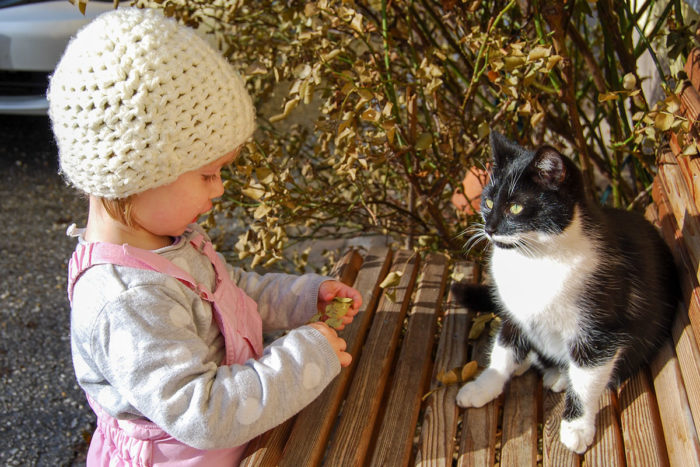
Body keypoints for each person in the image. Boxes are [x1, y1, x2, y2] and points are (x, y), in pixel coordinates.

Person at [48, 7, 362, 466]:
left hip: (245, 440)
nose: (219, 188)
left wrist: (304, 298)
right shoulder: (126, 302)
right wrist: (303, 359)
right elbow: (206, 414)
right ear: (137, 173)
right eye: (208, 174)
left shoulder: (168, 240)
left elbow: (230, 293)